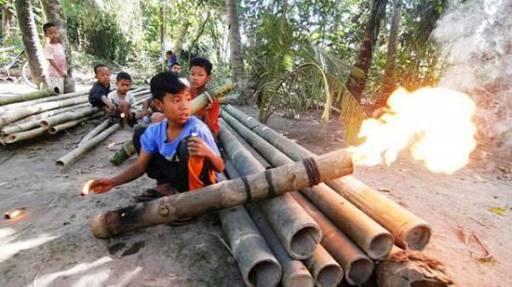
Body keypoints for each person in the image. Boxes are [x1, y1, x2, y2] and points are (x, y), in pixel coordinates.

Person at [88, 71, 224, 202]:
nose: (185, 106)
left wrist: (208, 153)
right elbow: (139, 167)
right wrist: (112, 182)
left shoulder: (197, 129)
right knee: (140, 134)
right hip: (177, 173)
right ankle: (168, 186)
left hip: (202, 184)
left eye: (188, 99)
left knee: (187, 145)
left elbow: (219, 168)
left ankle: (187, 200)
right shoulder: (155, 131)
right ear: (159, 104)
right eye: (177, 101)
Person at [189, 57, 220, 136]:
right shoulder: (183, 94)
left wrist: (207, 111)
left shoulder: (212, 100)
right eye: (192, 74)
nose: (195, 78)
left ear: (208, 78)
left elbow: (211, 129)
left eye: (200, 75)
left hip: (204, 134)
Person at [43, 22, 67, 93]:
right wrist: (60, 71)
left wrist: (64, 71)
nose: (54, 35)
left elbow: (63, 58)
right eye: (51, 33)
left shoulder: (60, 45)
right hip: (53, 74)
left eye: (55, 33)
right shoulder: (48, 46)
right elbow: (51, 60)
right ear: (46, 35)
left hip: (61, 73)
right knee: (55, 91)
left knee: (61, 91)